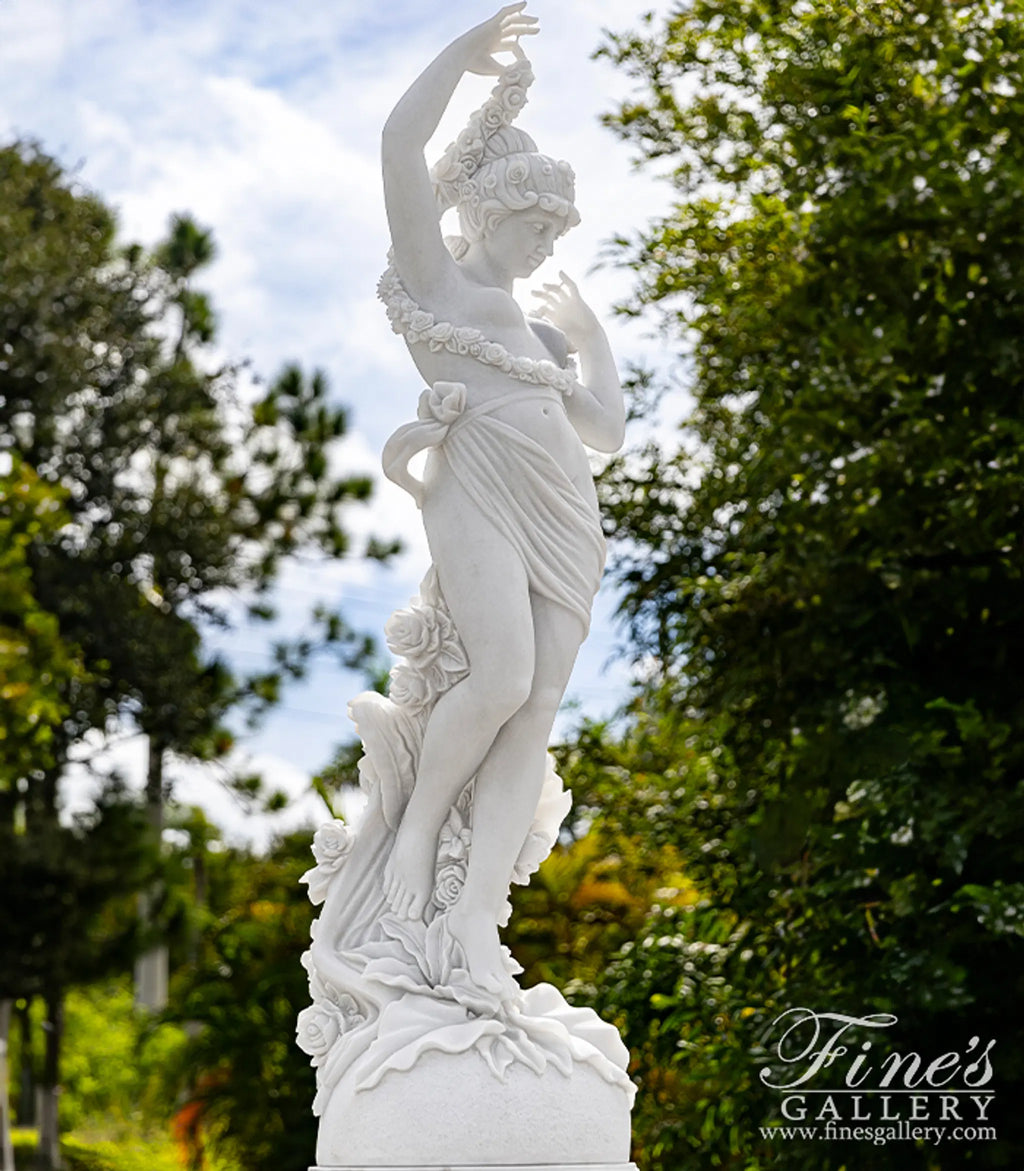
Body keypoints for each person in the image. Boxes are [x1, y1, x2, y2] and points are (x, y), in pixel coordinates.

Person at [377, 2, 624, 999]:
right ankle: (418, 831)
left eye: (555, 231)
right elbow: (400, 141)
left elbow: (603, 432)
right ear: (486, 214)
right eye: (532, 227)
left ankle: (479, 913)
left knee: (539, 706)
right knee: (499, 675)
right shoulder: (436, 284)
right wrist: (462, 57)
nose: (541, 247)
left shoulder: (541, 334)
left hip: (568, 518)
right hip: (475, 485)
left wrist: (593, 340)